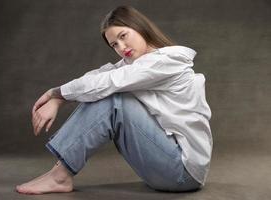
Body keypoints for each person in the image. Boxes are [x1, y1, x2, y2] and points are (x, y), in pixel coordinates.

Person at [16, 5, 212, 194]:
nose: (121, 47)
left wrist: (55, 94)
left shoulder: (166, 61)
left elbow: (109, 81)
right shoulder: (135, 64)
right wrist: (58, 99)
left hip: (183, 173)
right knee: (104, 91)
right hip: (166, 166)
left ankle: (59, 177)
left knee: (114, 99)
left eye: (123, 36)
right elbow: (97, 77)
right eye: (114, 44)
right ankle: (58, 173)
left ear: (139, 27)